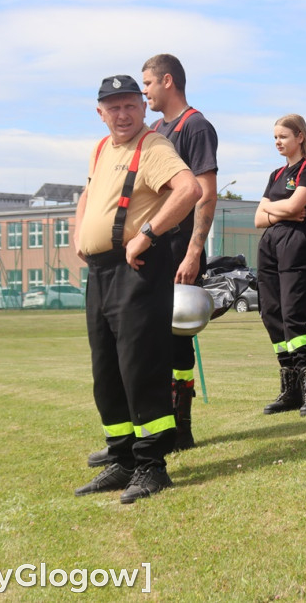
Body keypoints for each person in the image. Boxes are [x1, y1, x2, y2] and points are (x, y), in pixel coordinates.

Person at [85, 54, 219, 468]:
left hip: (137, 269)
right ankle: (121, 456)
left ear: (143, 106)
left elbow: (191, 190)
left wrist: (148, 234)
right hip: (100, 271)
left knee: (141, 365)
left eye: (130, 104)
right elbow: (88, 194)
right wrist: (79, 234)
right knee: (107, 370)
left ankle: (150, 463)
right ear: (100, 113)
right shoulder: (102, 148)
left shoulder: (157, 143)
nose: (122, 114)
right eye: (113, 107)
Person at [257, 114, 306, 417]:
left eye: (283, 136)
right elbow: (259, 218)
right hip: (270, 244)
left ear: (300, 136)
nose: (277, 143)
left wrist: (274, 209)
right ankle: (291, 388)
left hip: (297, 245)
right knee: (272, 315)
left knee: (293, 316)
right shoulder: (275, 174)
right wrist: (278, 212)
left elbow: (298, 205)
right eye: (274, 138)